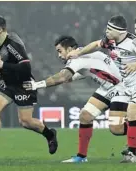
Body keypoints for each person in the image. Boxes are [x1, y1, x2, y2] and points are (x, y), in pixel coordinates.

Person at [0, 15, 58, 159]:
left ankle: (50, 134)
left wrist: (3, 65)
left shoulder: (13, 43)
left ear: (0, 30)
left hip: (23, 84)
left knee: (25, 122)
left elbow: (26, 68)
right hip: (7, 82)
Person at [23, 35, 129, 163]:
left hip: (121, 88)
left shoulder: (76, 59)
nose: (59, 55)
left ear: (70, 49)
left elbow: (63, 77)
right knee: (85, 116)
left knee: (116, 129)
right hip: (107, 88)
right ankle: (81, 157)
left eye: (60, 51)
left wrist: (36, 85)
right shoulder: (85, 52)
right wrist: (70, 77)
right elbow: (91, 69)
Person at [66, 15, 136, 163]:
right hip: (118, 85)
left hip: (133, 85)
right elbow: (96, 44)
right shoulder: (109, 40)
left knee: (125, 119)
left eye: (110, 29)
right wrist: (78, 53)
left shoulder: (132, 42)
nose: (107, 31)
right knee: (95, 120)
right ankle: (81, 157)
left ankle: (132, 153)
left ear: (120, 31)